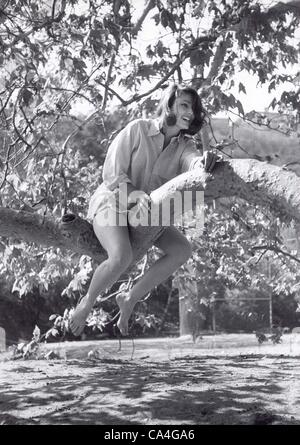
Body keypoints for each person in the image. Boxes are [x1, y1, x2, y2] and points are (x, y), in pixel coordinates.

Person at [70, 83, 218, 337]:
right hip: (113, 203)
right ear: (168, 103)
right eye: (184, 105)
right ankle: (87, 303)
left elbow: (192, 162)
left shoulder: (185, 145)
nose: (190, 113)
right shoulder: (137, 129)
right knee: (121, 257)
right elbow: (113, 173)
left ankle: (130, 298)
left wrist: (203, 162)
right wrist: (134, 194)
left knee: (182, 249)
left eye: (193, 109)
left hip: (147, 213)